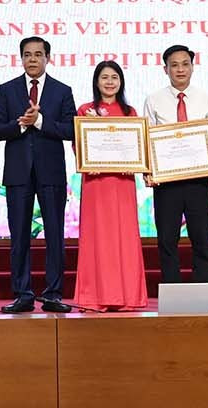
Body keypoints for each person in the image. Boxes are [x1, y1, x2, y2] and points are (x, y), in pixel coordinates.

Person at [0, 36, 77, 313]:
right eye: (27, 54)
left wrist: (39, 121)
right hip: (18, 173)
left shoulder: (62, 91)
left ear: (47, 58)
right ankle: (23, 294)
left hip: (51, 172)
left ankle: (53, 294)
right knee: (19, 236)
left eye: (38, 54)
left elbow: (71, 129)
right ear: (21, 58)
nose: (32, 59)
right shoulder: (6, 90)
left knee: (54, 235)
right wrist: (21, 124)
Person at [72, 61, 148, 311]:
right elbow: (78, 143)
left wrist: (134, 162)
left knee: (123, 237)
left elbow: (137, 145)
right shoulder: (85, 110)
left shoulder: (130, 112)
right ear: (96, 81)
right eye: (104, 77)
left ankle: (127, 297)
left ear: (121, 82)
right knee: (98, 238)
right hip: (96, 183)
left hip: (123, 182)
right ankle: (94, 297)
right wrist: (86, 160)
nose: (109, 82)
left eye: (114, 77)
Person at [143, 44, 208, 285]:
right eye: (174, 65)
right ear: (165, 69)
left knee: (202, 240)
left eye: (185, 64)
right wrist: (148, 171)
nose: (180, 69)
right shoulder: (153, 100)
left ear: (192, 67)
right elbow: (147, 139)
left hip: (199, 181)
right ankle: (172, 292)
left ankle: (203, 292)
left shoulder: (207, 99)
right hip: (167, 183)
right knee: (167, 240)